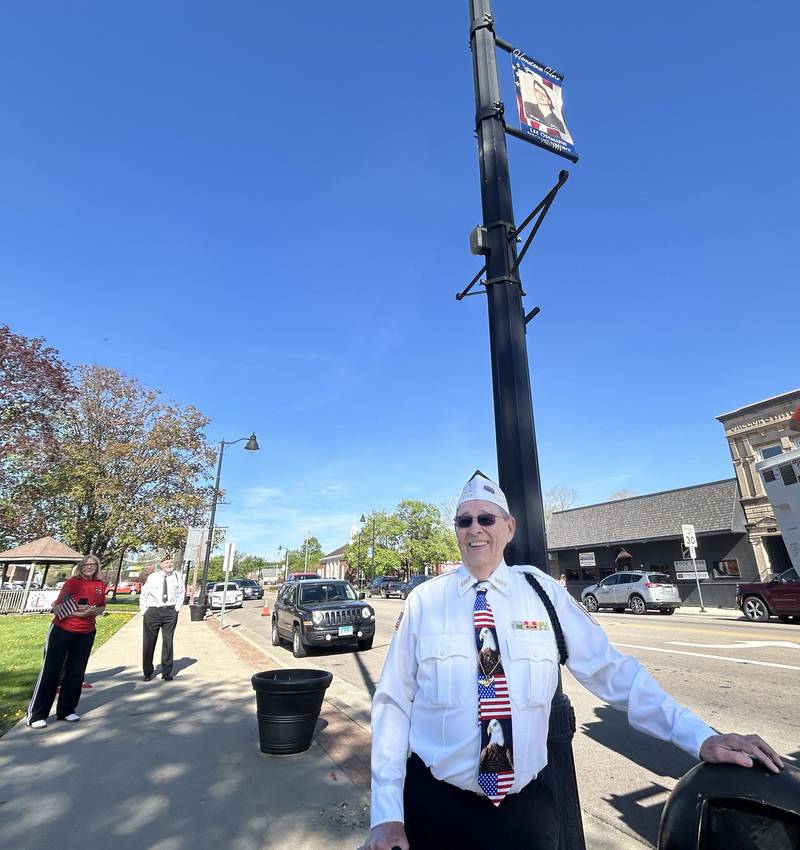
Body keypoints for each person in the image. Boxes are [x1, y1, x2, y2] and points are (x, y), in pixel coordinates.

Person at [362, 471, 784, 850]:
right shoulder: (424, 601)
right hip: (435, 807)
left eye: (486, 519)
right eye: (464, 520)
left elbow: (613, 674)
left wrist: (699, 736)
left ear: (508, 528)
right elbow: (393, 704)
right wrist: (386, 816)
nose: (475, 529)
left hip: (523, 812)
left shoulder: (543, 594)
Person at [27, 554, 106, 728]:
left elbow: (101, 609)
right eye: (86, 564)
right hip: (63, 630)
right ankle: (36, 715)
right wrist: (80, 613)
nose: (89, 567)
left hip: (86, 633)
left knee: (76, 672)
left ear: (97, 567)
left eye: (93, 564)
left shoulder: (100, 585)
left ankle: (67, 710)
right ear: (81, 566)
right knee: (51, 671)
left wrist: (92, 610)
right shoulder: (72, 583)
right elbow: (56, 608)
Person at [140, 558, 183, 681]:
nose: (169, 565)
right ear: (161, 565)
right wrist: (144, 610)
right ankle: (147, 672)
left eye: (171, 563)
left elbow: (181, 593)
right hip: (153, 611)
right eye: (166, 563)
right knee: (149, 642)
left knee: (168, 642)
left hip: (170, 611)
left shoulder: (177, 576)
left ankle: (166, 672)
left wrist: (177, 609)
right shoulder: (153, 577)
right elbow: (144, 594)